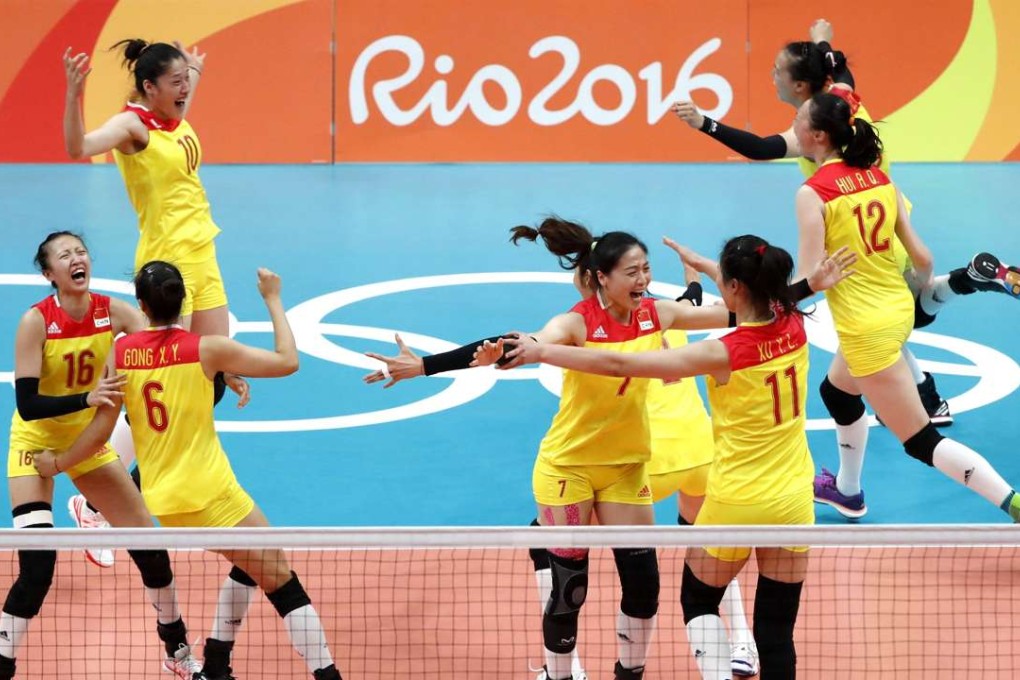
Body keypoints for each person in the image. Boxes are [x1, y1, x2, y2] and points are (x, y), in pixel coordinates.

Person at [364, 218, 848, 679]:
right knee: (569, 589)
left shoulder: (660, 314)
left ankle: (628, 674)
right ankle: (559, 674)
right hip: (570, 465)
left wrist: (807, 286)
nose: (643, 280)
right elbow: (522, 341)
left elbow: (739, 312)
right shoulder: (574, 322)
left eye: (647, 269)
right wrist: (426, 365)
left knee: (644, 589)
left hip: (627, 468)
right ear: (602, 277)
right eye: (633, 272)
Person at [504, 235, 843, 679]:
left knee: (700, 600)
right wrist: (805, 282)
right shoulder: (795, 322)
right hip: (795, 499)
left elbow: (620, 366)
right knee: (777, 633)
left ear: (736, 287)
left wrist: (542, 352)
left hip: (736, 498)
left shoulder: (723, 352)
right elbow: (765, 295)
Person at [671, 18, 1020, 431]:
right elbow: (841, 71)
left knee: (888, 323)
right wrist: (822, 44)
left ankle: (941, 355)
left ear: (800, 87)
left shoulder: (813, 131)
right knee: (897, 315)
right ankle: (947, 339)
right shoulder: (842, 102)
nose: (771, 77)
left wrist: (704, 124)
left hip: (854, 235)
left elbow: (762, 148)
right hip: (888, 217)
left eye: (777, 71)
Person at [33, 262, 343, 680]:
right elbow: (288, 361)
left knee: (251, 562)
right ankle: (327, 675)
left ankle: (216, 662)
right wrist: (272, 297)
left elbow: (101, 430)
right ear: (183, 304)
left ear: (142, 306)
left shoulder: (122, 353)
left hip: (164, 500)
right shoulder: (206, 348)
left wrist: (58, 463)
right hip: (211, 495)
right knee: (282, 581)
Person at [791, 90, 1020, 523]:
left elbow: (811, 280)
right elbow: (924, 260)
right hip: (897, 311)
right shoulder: (880, 179)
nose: (794, 127)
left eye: (799, 120)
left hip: (866, 332)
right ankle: (847, 491)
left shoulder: (812, 193)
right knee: (836, 392)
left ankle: (1012, 502)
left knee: (922, 441)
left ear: (817, 135)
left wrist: (771, 301)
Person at [62, 38, 248, 536]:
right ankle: (98, 502)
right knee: (160, 382)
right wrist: (73, 94)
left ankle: (124, 495)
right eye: (177, 81)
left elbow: (182, 105)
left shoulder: (173, 111)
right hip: (169, 267)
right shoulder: (132, 127)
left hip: (203, 254)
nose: (185, 88)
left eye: (187, 79)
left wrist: (196, 72)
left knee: (211, 383)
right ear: (150, 88)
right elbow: (78, 147)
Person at [3, 232, 201, 678]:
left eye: (80, 251)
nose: (77, 258)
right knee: (38, 568)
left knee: (149, 546)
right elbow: (28, 404)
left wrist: (219, 373)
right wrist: (87, 398)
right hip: (34, 447)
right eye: (64, 255)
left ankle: (178, 650)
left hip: (88, 444)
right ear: (49, 273)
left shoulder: (112, 312)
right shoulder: (35, 322)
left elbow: (167, 342)